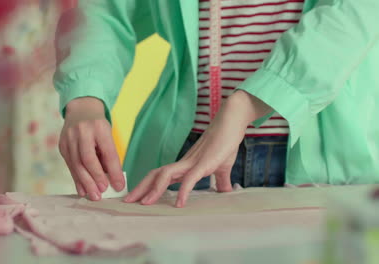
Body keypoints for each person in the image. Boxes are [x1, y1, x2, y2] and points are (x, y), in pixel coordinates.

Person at [55, 0, 379, 207]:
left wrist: (245, 106)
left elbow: (352, 14)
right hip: (186, 151)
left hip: (315, 157)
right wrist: (86, 95)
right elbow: (106, 10)